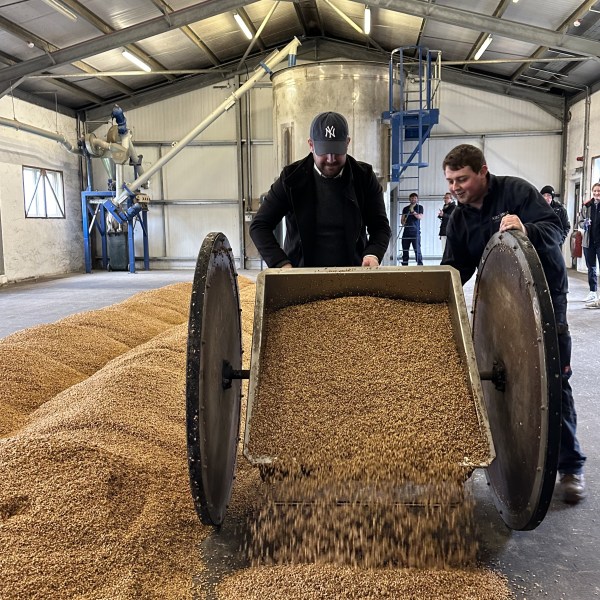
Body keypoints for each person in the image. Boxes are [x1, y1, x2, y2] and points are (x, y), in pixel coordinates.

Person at [441, 144, 586, 504]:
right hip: (501, 312)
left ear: (483, 172)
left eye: (462, 179)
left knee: (554, 382)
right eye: (450, 181)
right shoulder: (459, 218)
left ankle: (570, 467)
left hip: (544, 301)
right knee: (491, 381)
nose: (456, 187)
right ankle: (476, 460)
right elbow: (453, 272)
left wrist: (526, 228)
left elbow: (555, 229)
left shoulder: (517, 192)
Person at [249, 111, 391, 268]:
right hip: (301, 275)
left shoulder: (364, 177)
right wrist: (281, 264)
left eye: (337, 151)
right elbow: (260, 226)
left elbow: (380, 227)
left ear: (347, 143)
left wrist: (373, 254)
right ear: (311, 145)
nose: (331, 159)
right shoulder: (290, 178)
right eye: (324, 151)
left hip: (353, 274)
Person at [577, 182, 600, 307]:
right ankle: (593, 292)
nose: (597, 193)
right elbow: (579, 222)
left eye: (599, 191)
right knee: (591, 268)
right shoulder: (587, 205)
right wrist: (584, 223)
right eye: (595, 191)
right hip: (589, 242)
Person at [400, 193, 424, 265]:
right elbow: (402, 220)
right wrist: (404, 222)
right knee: (405, 249)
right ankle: (405, 263)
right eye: (412, 198)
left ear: (417, 199)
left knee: (417, 249)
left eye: (415, 198)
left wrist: (413, 211)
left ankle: (419, 264)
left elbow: (420, 217)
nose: (413, 199)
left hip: (415, 232)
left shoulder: (420, 207)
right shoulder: (405, 208)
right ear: (409, 199)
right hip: (406, 232)